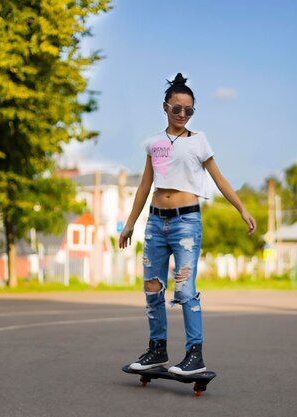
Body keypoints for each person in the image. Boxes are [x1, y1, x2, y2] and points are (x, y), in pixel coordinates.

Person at [119, 73, 256, 375]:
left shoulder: (199, 142)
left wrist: (242, 209)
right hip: (155, 223)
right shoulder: (154, 143)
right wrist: (130, 223)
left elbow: (219, 179)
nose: (182, 115)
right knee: (152, 288)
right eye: (177, 108)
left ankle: (195, 354)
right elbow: (144, 185)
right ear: (165, 107)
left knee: (184, 289)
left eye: (189, 110)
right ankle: (157, 350)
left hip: (186, 223)